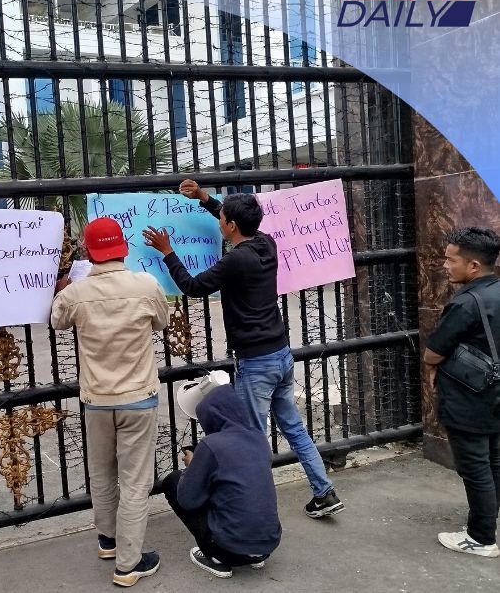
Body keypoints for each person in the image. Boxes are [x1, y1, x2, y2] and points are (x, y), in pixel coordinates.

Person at [142, 179, 344, 518]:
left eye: (223, 219)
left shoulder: (236, 260)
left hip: (257, 362)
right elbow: (230, 216)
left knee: (252, 439)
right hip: (280, 354)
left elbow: (193, 286)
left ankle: (255, 511)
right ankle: (324, 492)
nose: (220, 221)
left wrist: (168, 252)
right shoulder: (266, 243)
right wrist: (204, 198)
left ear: (232, 226)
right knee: (294, 428)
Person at [51, 217, 170, 587]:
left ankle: (108, 540)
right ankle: (128, 563)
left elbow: (57, 321)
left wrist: (62, 286)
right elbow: (162, 323)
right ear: (124, 248)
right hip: (138, 397)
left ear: (89, 252)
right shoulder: (146, 285)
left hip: (97, 399)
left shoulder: (76, 293)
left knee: (102, 472)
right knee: (135, 481)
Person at [424, 227, 500, 558]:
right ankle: (488, 518)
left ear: (473, 265)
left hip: (469, 397)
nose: (445, 265)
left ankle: (481, 537)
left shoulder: (467, 303)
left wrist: (431, 366)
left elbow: (434, 351)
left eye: (450, 259)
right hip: (495, 393)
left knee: (475, 466)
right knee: (493, 460)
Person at [163, 382, 281, 579]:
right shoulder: (259, 438)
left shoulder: (211, 444)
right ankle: (255, 556)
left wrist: (192, 467)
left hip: (229, 550)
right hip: (268, 545)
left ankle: (216, 557)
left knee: (173, 481)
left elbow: (188, 500)